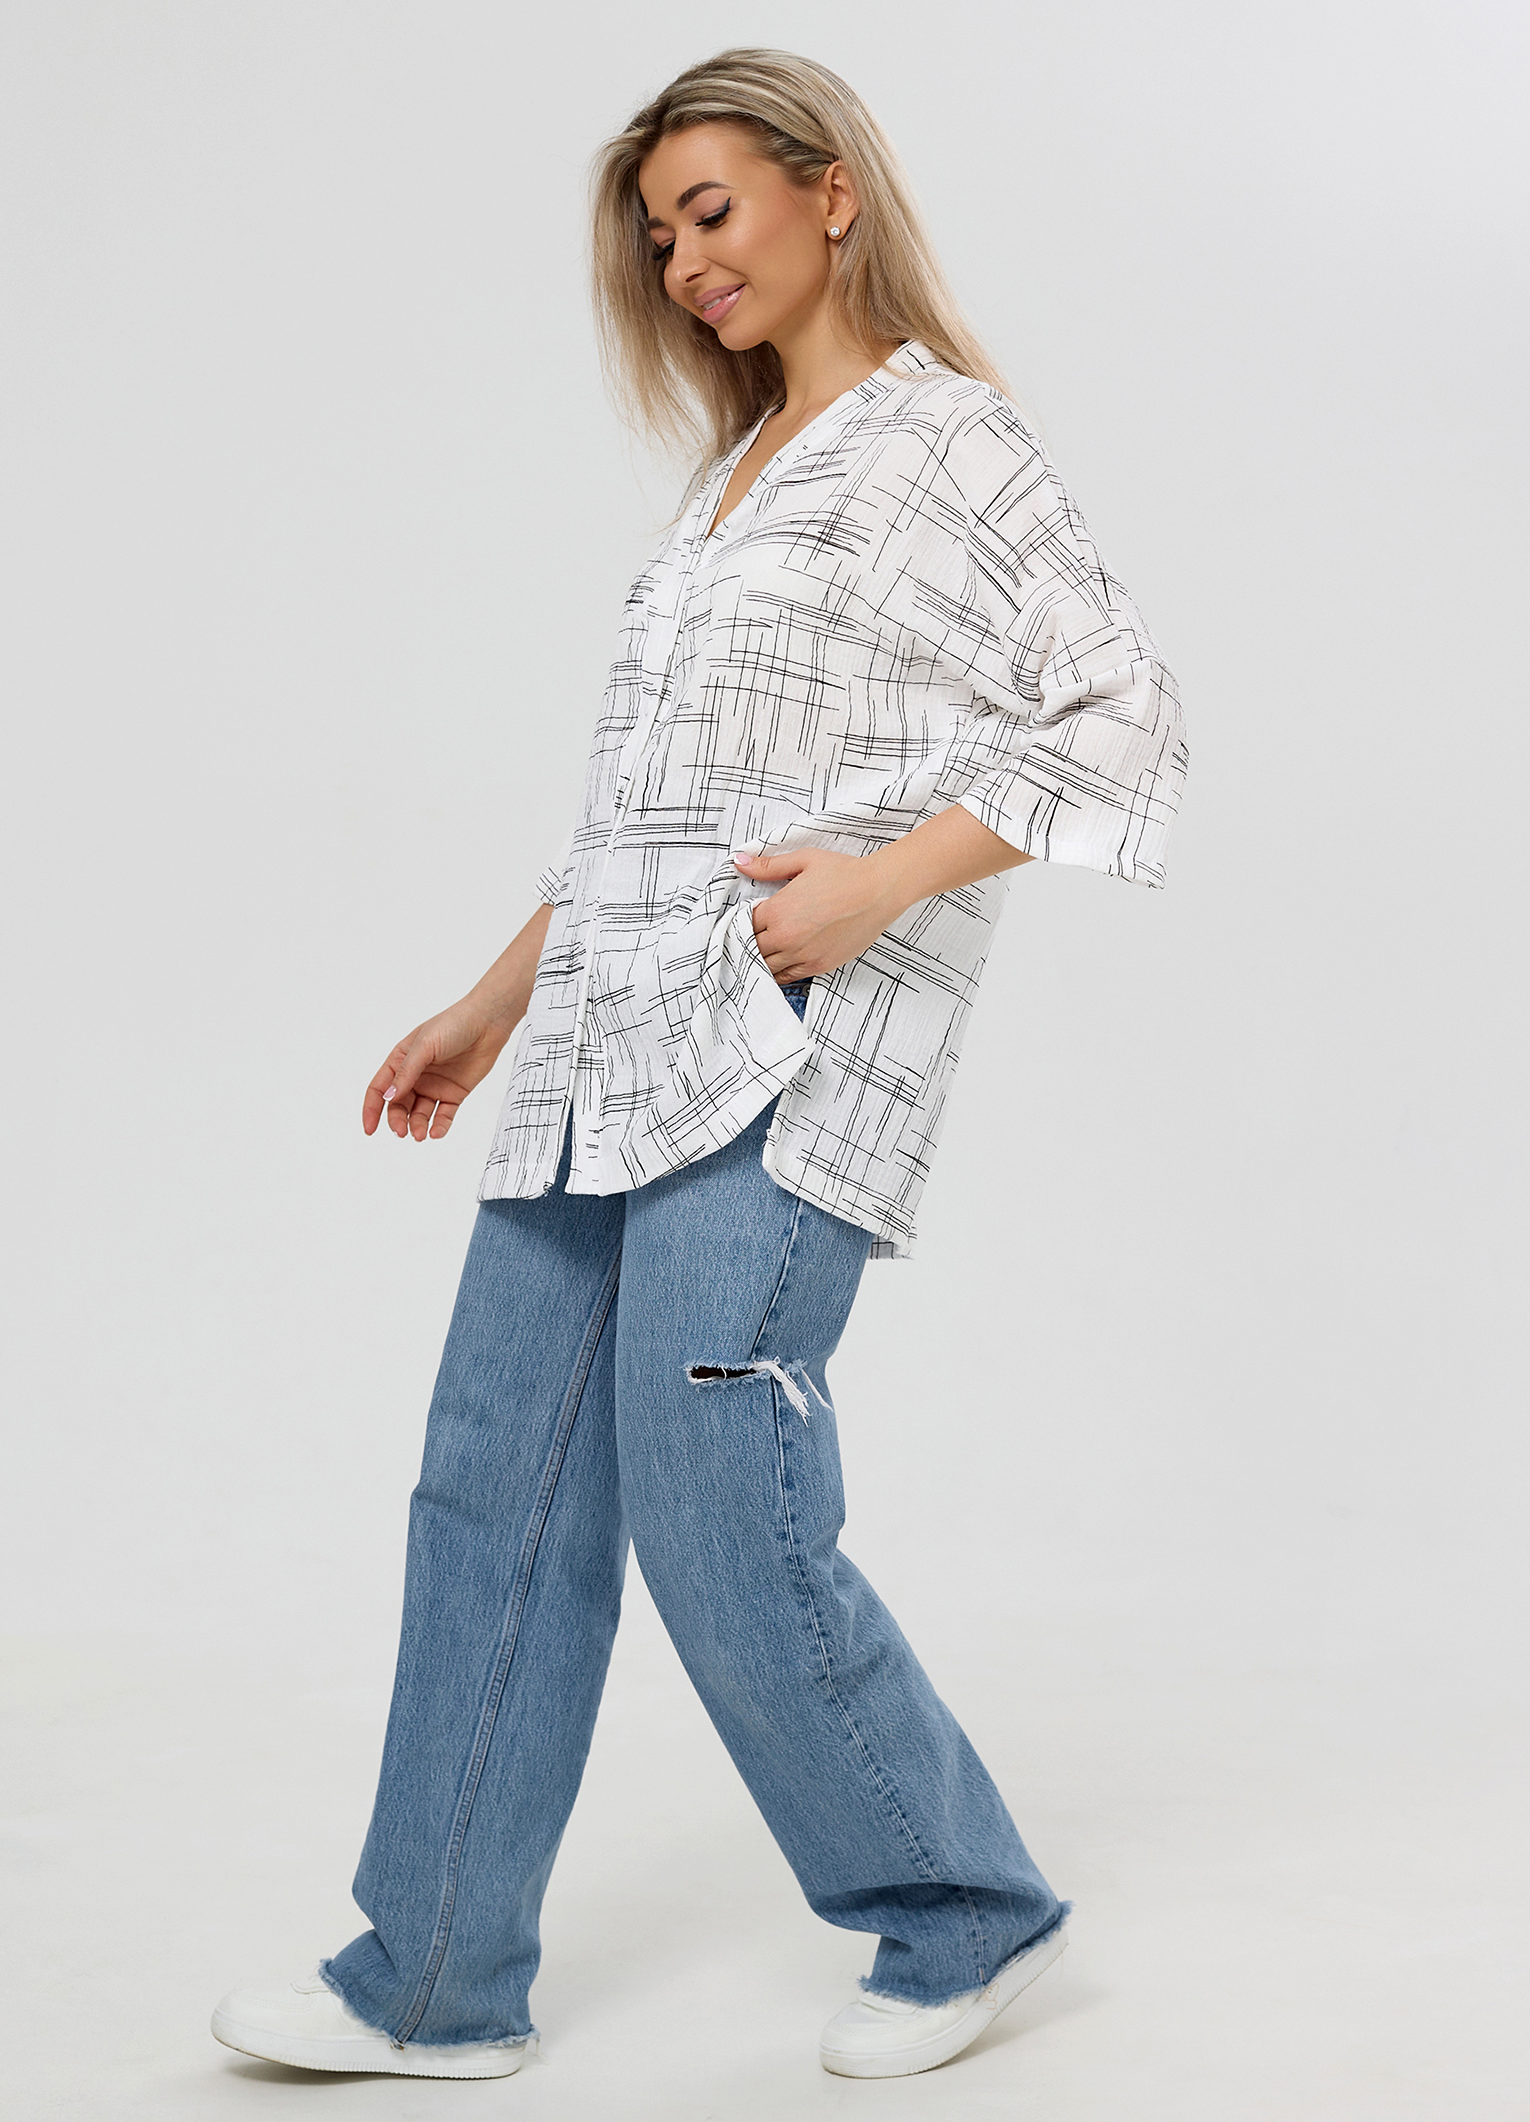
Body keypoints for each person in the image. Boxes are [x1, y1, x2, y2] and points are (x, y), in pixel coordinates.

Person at [211, 46, 1186, 2085]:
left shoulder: (949, 442)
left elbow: (1121, 717)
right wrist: (496, 999)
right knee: (491, 1481)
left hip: (791, 1037)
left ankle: (963, 1907)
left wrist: (870, 891)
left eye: (710, 211)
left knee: (711, 1479)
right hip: (603, 1036)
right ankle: (432, 1979)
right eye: (659, 237)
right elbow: (647, 814)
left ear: (833, 192)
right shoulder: (731, 475)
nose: (682, 265)